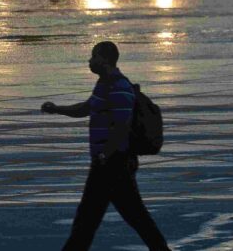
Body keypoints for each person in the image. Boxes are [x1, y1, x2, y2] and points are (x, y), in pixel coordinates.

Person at [41, 41, 171, 251]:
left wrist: (105, 155)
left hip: (113, 163)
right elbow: (86, 108)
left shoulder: (119, 86)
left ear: (105, 59)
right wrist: (57, 109)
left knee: (94, 219)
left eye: (94, 56)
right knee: (101, 218)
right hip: (108, 162)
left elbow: (122, 125)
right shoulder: (104, 84)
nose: (90, 61)